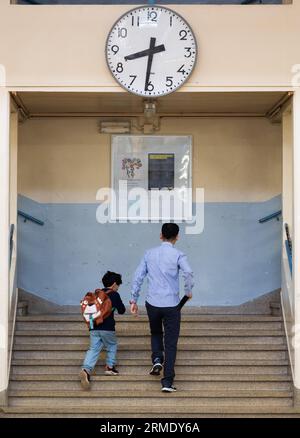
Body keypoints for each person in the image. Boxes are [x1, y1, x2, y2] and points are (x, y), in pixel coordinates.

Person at [130, 223, 194, 393]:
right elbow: (188, 273)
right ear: (177, 237)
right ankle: (167, 382)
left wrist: (133, 299)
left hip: (152, 303)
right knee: (171, 343)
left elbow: (138, 277)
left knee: (156, 332)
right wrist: (188, 291)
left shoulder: (149, 254)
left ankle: (157, 358)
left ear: (161, 236)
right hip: (172, 304)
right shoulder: (179, 255)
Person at [80, 271, 126, 390]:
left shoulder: (97, 294)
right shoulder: (114, 295)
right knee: (112, 344)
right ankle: (110, 367)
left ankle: (86, 369)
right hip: (107, 327)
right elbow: (122, 310)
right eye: (118, 285)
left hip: (93, 327)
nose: (118, 288)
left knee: (94, 348)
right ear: (115, 284)